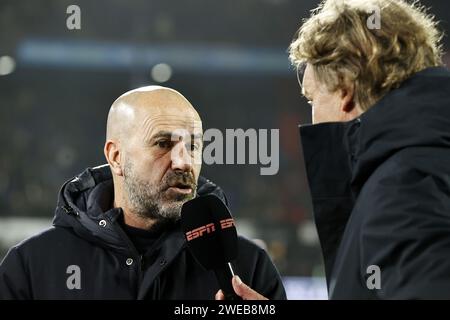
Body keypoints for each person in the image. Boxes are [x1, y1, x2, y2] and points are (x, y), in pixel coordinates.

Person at [218, 0, 450, 299]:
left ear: (344, 90)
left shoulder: (405, 186)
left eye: (312, 100)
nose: (312, 117)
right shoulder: (424, 163)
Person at [0, 86, 286, 300]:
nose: (184, 161)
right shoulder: (33, 266)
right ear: (116, 156)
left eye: (194, 146)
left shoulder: (247, 266)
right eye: (163, 143)